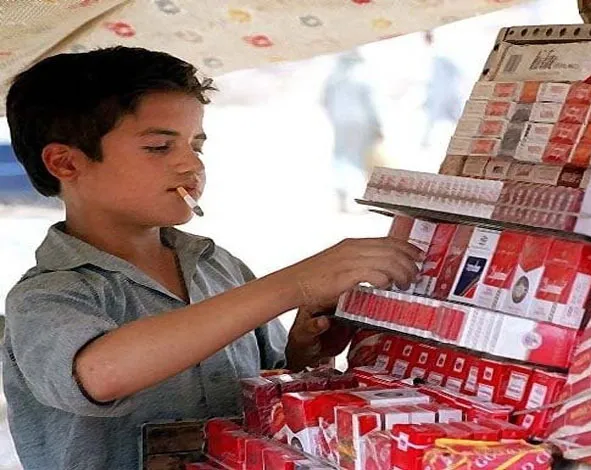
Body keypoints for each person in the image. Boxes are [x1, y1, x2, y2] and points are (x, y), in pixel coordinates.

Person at [2, 46, 421, 470]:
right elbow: (100, 374)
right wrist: (295, 283)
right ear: (66, 163)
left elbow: (263, 393)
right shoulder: (46, 296)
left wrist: (302, 353)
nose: (191, 164)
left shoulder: (219, 266)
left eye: (196, 145)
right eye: (159, 147)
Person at [322, 51, 383, 212]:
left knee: (341, 158)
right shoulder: (362, 76)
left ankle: (342, 195)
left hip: (340, 123)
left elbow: (324, 102)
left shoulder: (333, 78)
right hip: (361, 123)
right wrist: (378, 127)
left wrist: (336, 117)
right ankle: (361, 199)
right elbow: (372, 105)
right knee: (360, 160)